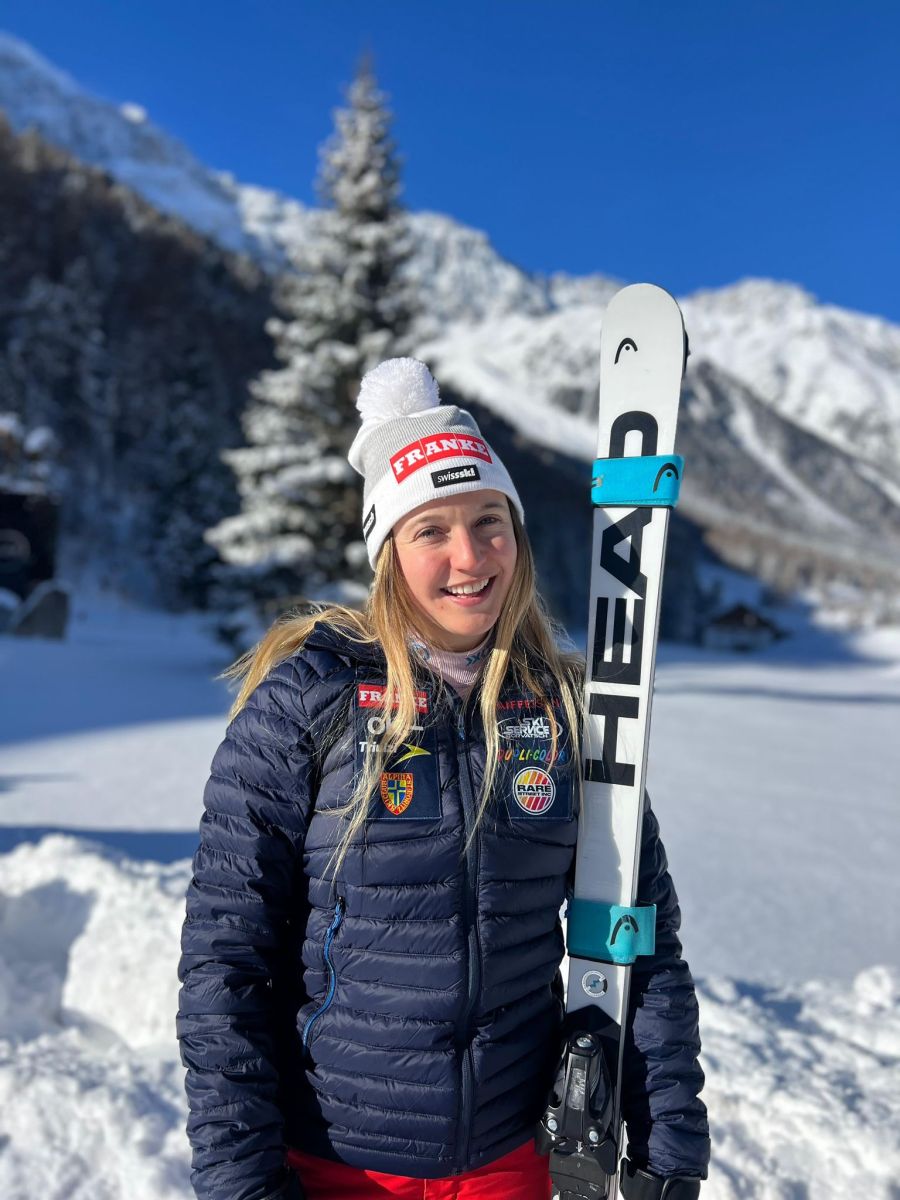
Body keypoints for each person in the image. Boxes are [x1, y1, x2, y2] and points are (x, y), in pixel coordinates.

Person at [177, 358, 710, 1200]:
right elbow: (224, 959)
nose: (470, 556)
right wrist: (240, 1180)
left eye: (490, 521)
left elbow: (640, 943)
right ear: (388, 552)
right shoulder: (308, 701)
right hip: (338, 1161)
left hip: (513, 1157)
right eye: (431, 530)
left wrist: (670, 1147)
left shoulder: (566, 710)